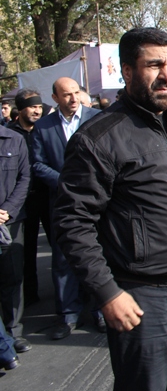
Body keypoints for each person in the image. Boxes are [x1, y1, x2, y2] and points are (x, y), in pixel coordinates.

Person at [53, 27, 167, 391]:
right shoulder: (98, 138)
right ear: (128, 72)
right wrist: (106, 293)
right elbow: (72, 223)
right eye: (154, 65)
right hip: (141, 300)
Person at [31, 77, 102, 340]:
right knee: (63, 259)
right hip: (62, 201)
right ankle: (68, 315)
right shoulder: (44, 127)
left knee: (99, 254)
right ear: (55, 99)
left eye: (76, 93)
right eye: (66, 95)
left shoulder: (96, 118)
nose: (73, 99)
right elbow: (37, 164)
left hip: (97, 201)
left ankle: (100, 310)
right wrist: (64, 183)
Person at [7, 89, 46, 306]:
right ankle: (30, 294)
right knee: (26, 249)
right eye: (32, 107)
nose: (37, 111)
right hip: (24, 199)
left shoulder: (45, 130)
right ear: (21, 110)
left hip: (47, 195)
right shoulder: (10, 135)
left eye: (39, 107)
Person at [0, 119, 30, 354]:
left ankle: (13, 331)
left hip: (10, 221)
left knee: (12, 277)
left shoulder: (14, 139)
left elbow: (24, 178)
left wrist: (8, 210)